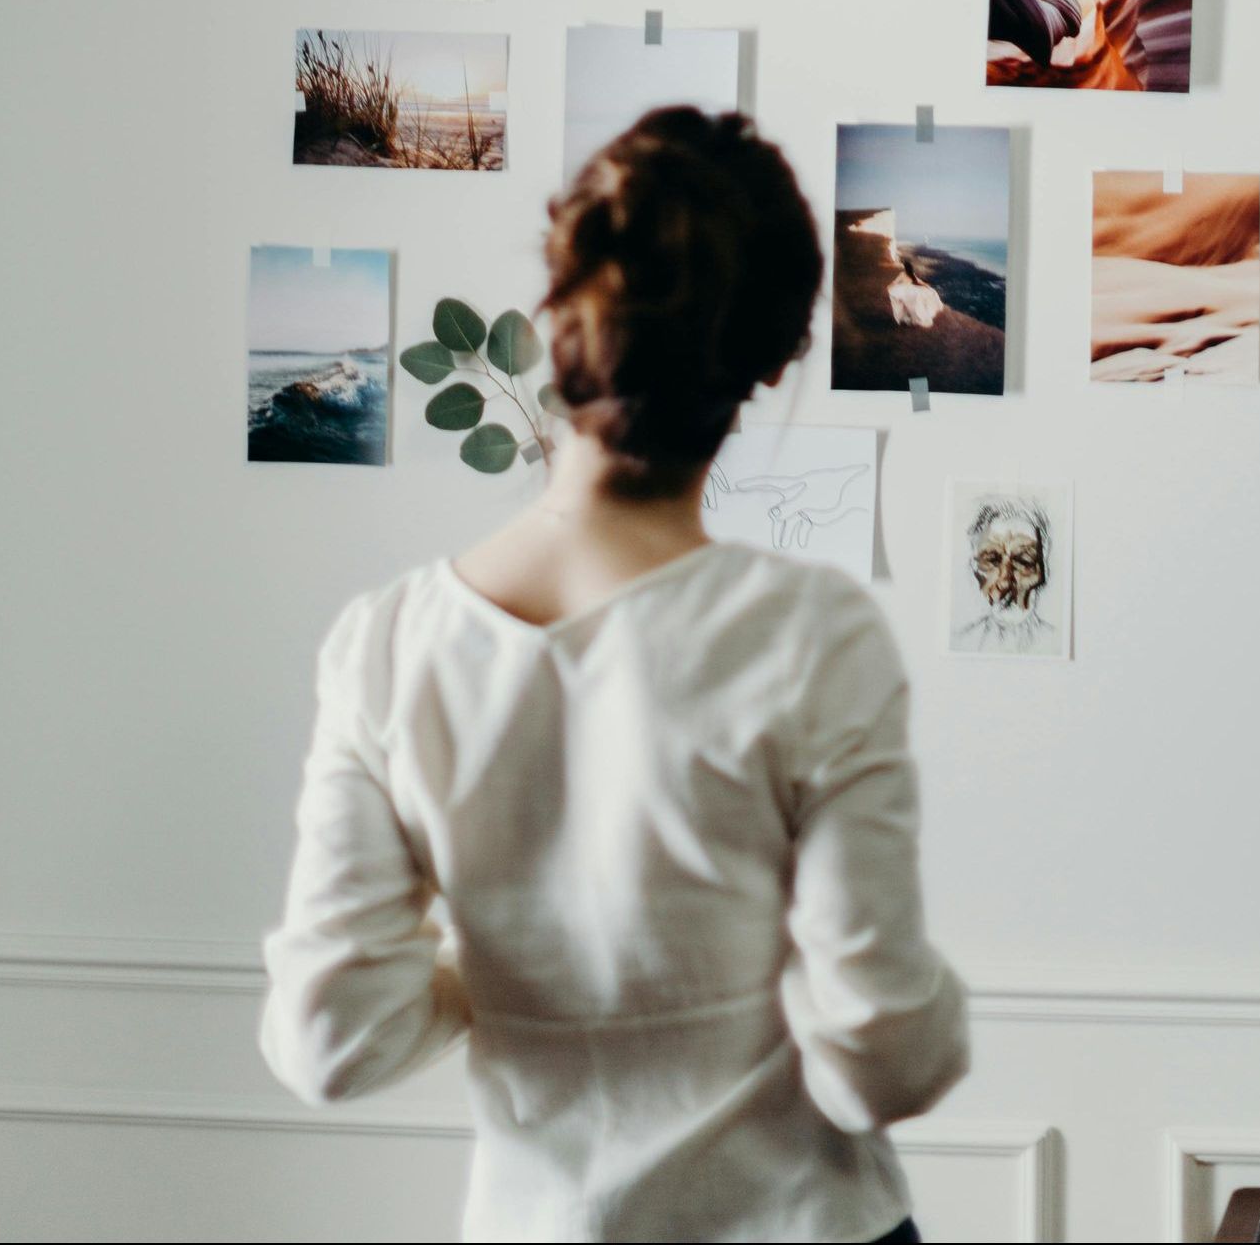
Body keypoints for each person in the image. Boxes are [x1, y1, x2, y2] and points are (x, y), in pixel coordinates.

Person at [259, 107, 967, 1244]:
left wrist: (489, 966)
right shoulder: (810, 636)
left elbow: (332, 1038)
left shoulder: (387, 644)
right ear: (779, 354)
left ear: (559, 312)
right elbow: (881, 1061)